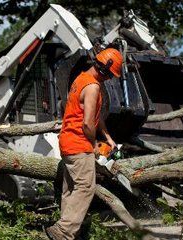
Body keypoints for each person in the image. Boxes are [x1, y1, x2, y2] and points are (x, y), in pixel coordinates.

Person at [46, 48, 123, 240]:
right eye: (110, 75)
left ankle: (68, 230)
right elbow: (87, 123)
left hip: (67, 141)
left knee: (71, 188)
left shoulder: (80, 79)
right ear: (104, 69)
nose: (109, 80)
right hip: (79, 143)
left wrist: (108, 137)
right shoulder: (93, 87)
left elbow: (96, 117)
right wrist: (94, 144)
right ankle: (63, 231)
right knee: (86, 188)